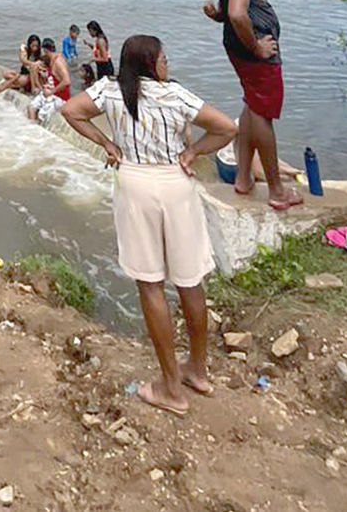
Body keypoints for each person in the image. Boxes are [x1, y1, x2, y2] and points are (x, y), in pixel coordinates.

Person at [60, 35, 237, 417]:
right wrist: (193, 152)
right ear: (150, 64)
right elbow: (226, 128)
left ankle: (171, 386)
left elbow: (70, 111)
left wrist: (108, 144)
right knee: (190, 281)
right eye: (164, 59)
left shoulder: (111, 91)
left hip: (136, 184)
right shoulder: (175, 95)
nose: (167, 65)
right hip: (177, 184)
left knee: (151, 284)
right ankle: (198, 371)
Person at [203, 0, 302, 211]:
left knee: (251, 106)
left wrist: (216, 16)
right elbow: (237, 13)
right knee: (262, 115)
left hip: (238, 49)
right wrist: (258, 47)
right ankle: (276, 191)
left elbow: (229, 11)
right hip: (255, 55)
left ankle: (244, 177)